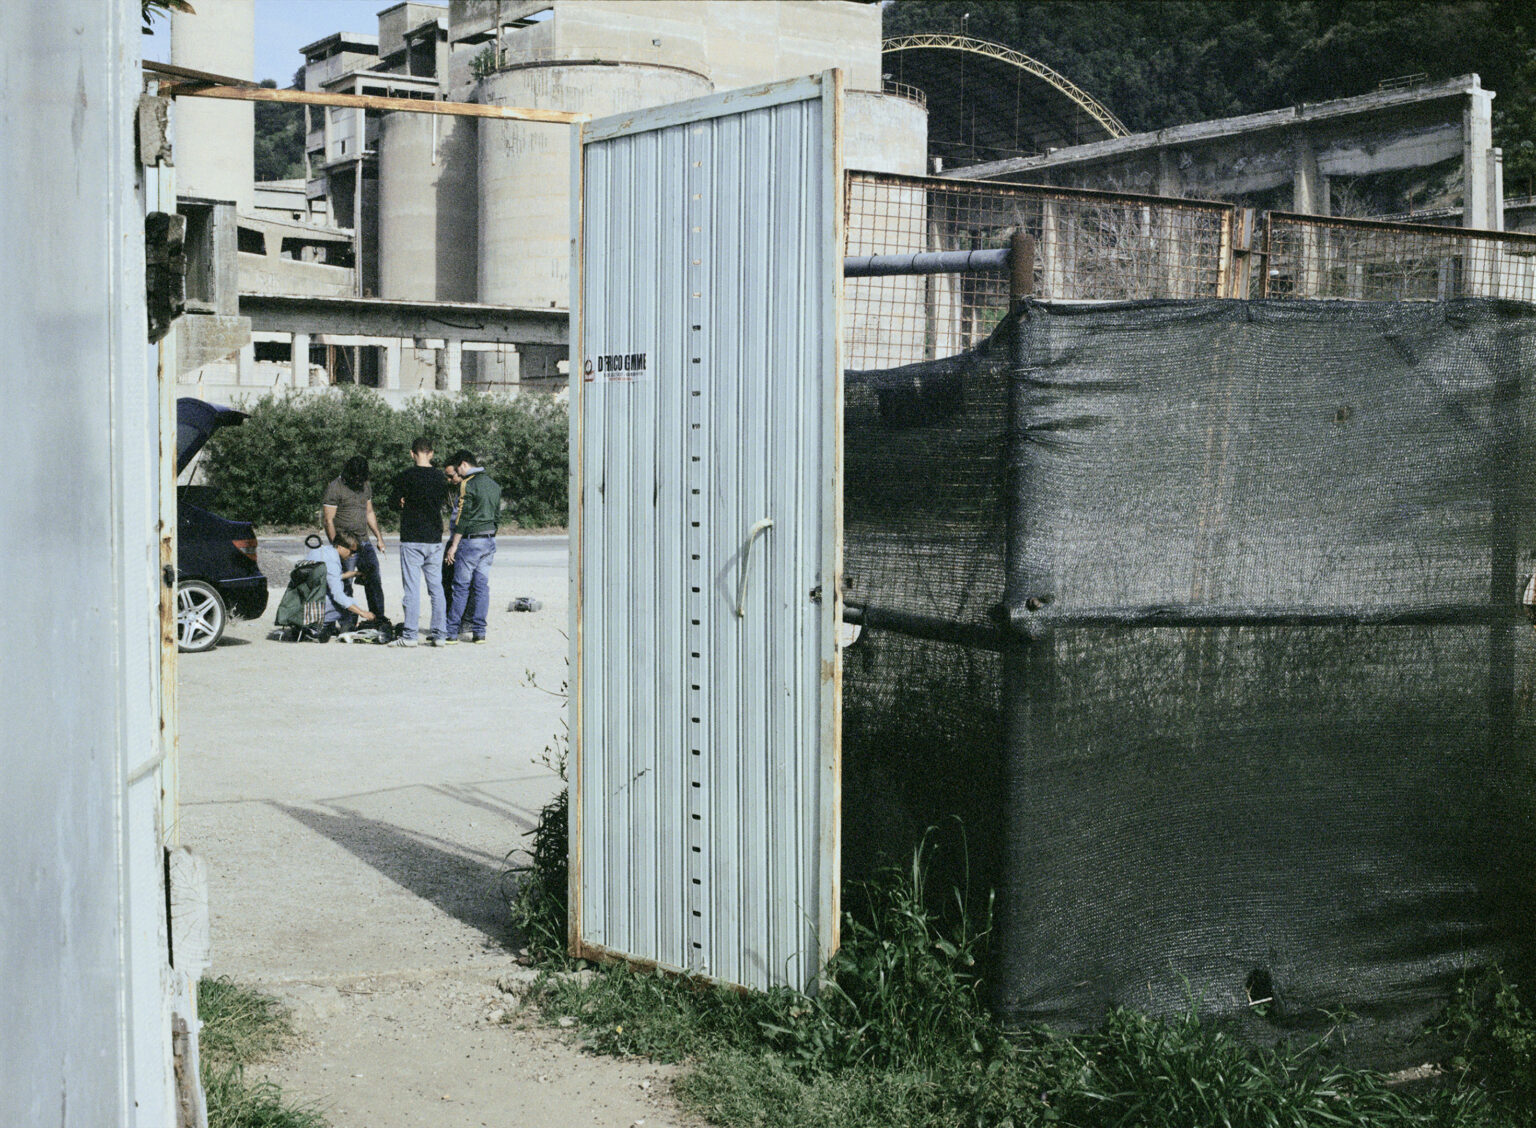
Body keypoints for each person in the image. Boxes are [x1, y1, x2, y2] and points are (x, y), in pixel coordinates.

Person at [388, 437, 449, 647]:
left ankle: (410, 635)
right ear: (431, 453)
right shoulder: (441, 477)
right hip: (433, 537)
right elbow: (441, 501)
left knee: (412, 589)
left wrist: (402, 501)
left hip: (412, 536)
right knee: (436, 588)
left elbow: (393, 503)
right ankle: (440, 634)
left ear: (412, 453)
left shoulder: (405, 476)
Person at [442, 450, 502, 644]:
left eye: (458, 469)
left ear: (464, 464)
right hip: (489, 539)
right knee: (481, 587)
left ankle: (451, 632)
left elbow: (463, 517)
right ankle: (479, 633)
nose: (458, 474)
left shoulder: (468, 484)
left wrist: (453, 546)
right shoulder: (494, 485)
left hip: (470, 541)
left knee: (460, 587)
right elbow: (497, 516)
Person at [323, 455, 386, 619]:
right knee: (345, 583)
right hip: (346, 544)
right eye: (356, 478)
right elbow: (328, 520)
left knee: (373, 578)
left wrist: (378, 537)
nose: (359, 481)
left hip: (364, 541)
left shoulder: (365, 486)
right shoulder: (334, 488)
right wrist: (337, 546)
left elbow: (369, 512)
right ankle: (348, 620)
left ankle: (378, 617)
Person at [305, 530, 377, 639]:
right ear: (340, 547)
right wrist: (363, 613)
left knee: (342, 597)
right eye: (352, 551)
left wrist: (352, 574)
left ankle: (322, 625)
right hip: (313, 611)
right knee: (349, 601)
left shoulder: (320, 551)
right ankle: (345, 628)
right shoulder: (333, 562)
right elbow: (338, 595)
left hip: (302, 604)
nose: (352, 555)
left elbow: (325, 577)